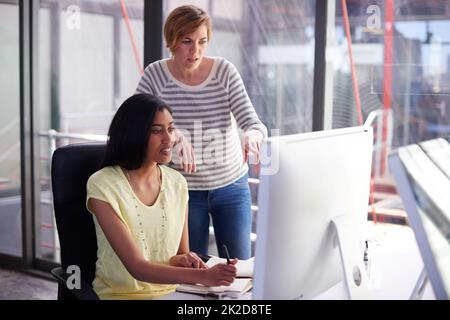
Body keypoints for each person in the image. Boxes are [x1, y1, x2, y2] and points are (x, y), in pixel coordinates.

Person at [135, 5, 267, 260]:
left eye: (202, 41)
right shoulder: (155, 75)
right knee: (192, 269)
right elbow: (134, 123)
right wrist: (175, 136)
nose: (195, 51)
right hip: (183, 191)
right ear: (172, 40)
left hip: (232, 188)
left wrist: (252, 135)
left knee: (238, 268)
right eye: (186, 41)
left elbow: (254, 123)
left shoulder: (224, 72)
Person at [86, 94, 237, 300]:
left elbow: (180, 254)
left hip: (174, 293)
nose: (169, 139)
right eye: (157, 131)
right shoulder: (103, 184)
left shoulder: (177, 183)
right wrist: (205, 276)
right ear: (134, 134)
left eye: (171, 129)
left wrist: (188, 260)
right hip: (122, 295)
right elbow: (137, 267)